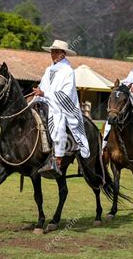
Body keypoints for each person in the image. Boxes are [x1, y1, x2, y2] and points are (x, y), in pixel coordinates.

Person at [32, 40, 90, 176]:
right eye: (52, 51)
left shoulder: (68, 71)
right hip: (47, 102)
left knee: (58, 123)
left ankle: (57, 160)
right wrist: (38, 92)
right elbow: (43, 85)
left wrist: (45, 94)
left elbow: (66, 95)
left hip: (64, 107)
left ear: (63, 54)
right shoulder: (49, 69)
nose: (53, 54)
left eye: (56, 52)